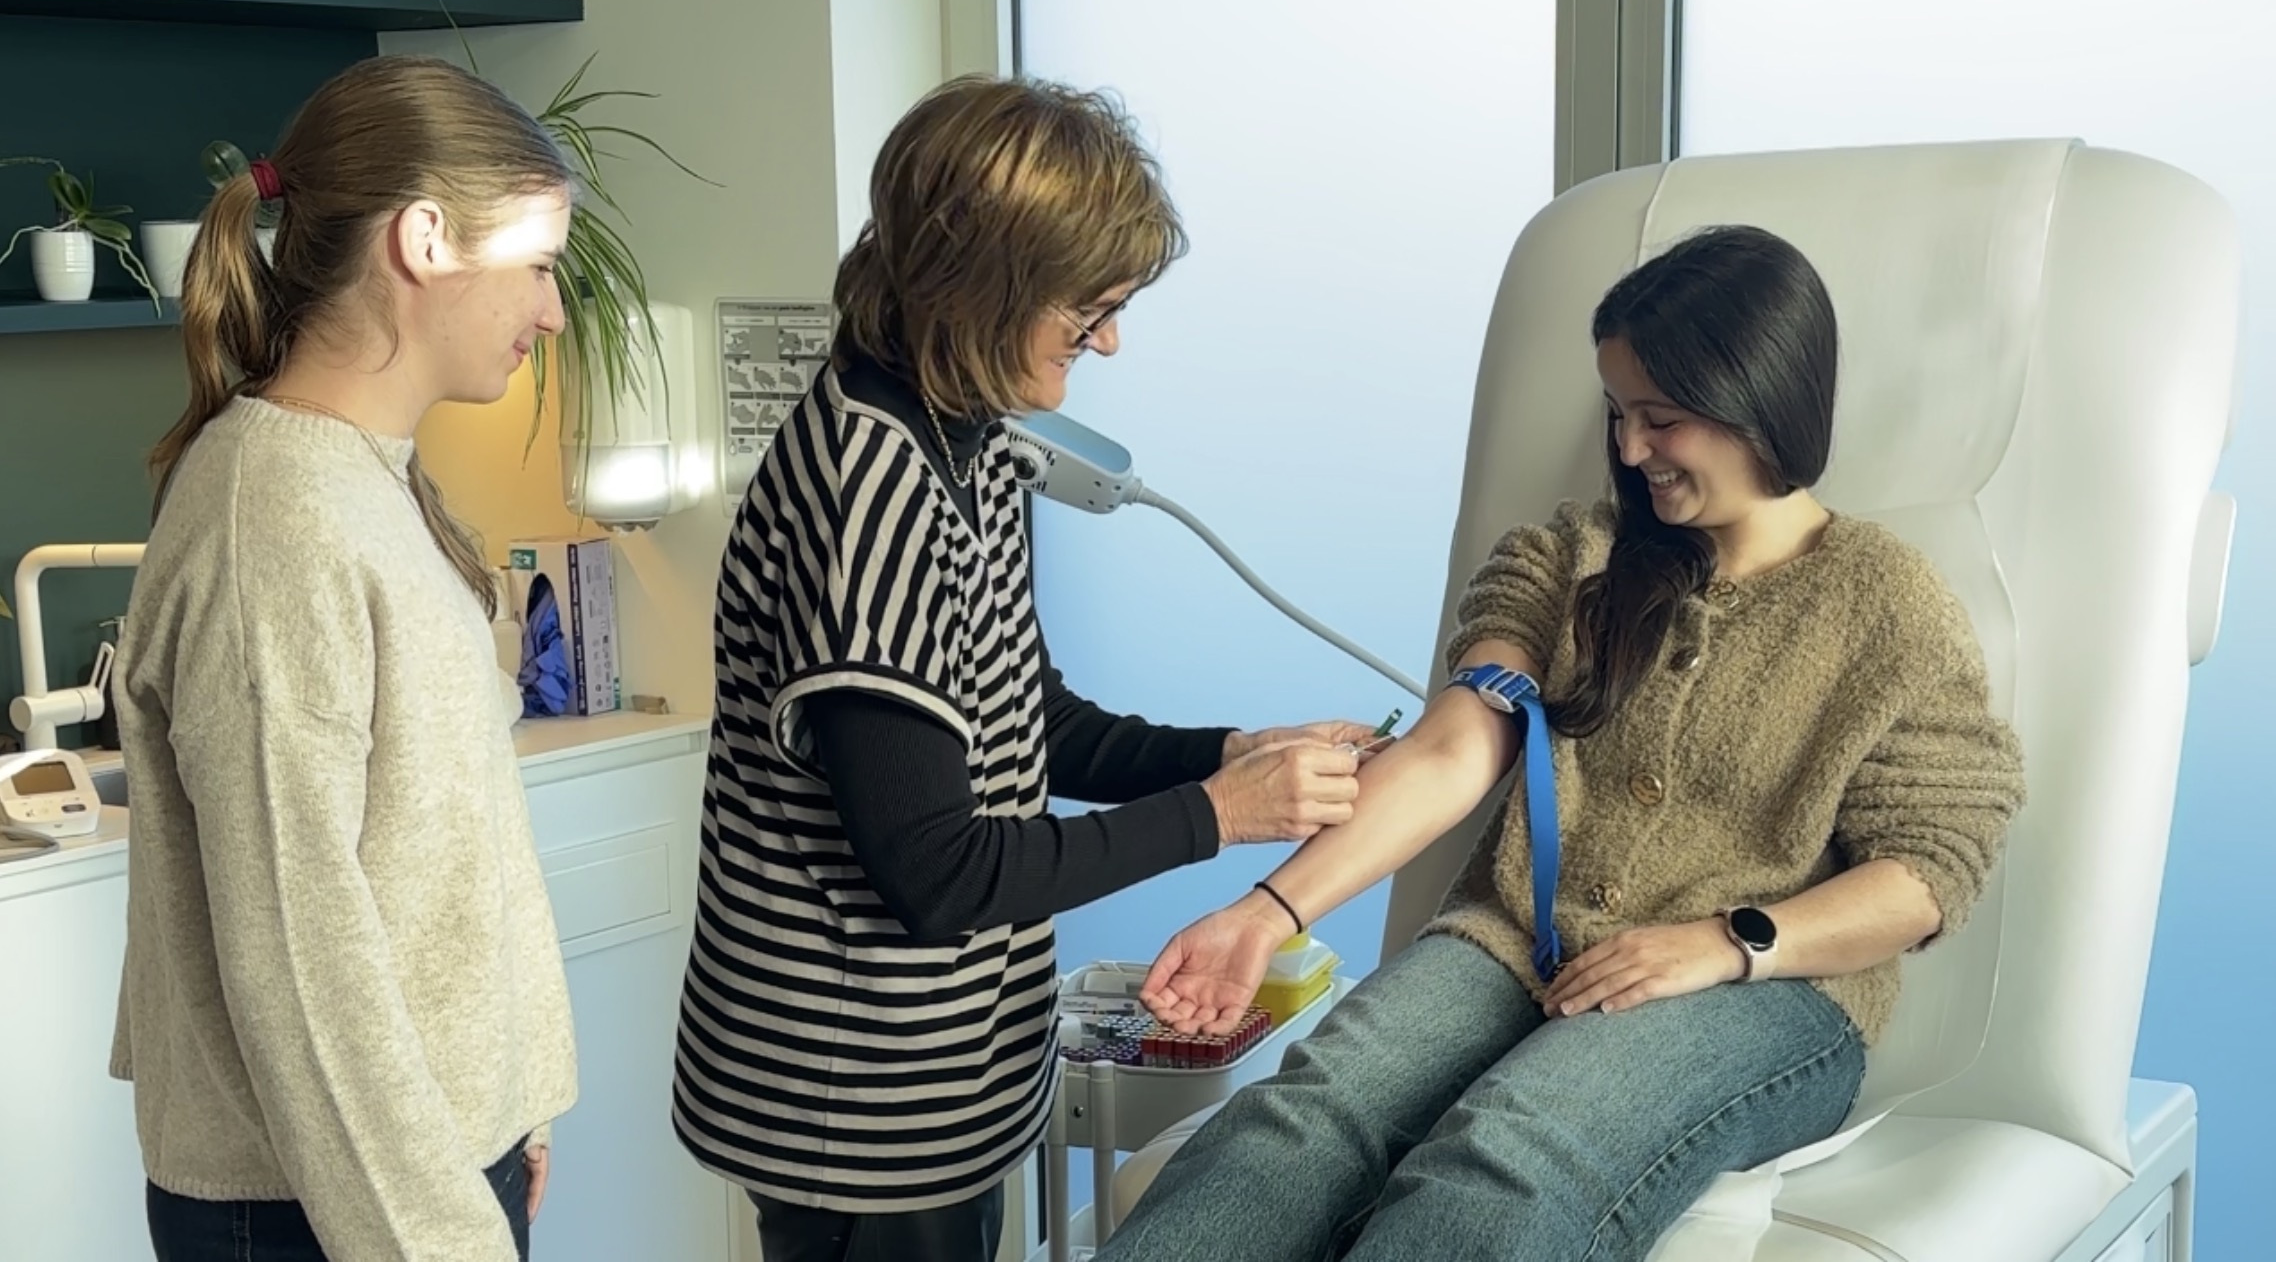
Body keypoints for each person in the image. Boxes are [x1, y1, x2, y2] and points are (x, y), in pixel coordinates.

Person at [1098, 224, 2029, 1262]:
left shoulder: (1888, 607)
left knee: (1504, 1157)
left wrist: (1727, 942)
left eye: (1659, 419)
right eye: (1617, 415)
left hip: (1762, 995)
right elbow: (1453, 753)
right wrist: (1260, 917)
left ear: (1759, 400)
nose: (1629, 450)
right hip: (1514, 941)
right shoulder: (1566, 557)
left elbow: (1927, 872)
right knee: (1300, 1117)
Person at [670, 74, 1374, 1262]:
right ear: (979, 286)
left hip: (948, 1081)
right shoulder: (868, 493)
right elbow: (936, 872)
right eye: (1085, 308)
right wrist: (1215, 815)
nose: (1106, 339)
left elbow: (1022, 713)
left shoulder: (971, 440)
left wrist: (1227, 754)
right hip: (857, 1107)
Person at [113, 54, 579, 1262]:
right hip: (321, 1207)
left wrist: (506, 1096)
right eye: (538, 267)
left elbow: (437, 843)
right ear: (428, 239)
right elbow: (299, 955)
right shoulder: (270, 517)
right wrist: (439, 1235)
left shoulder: (364, 480)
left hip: (405, 1169)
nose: (552, 312)